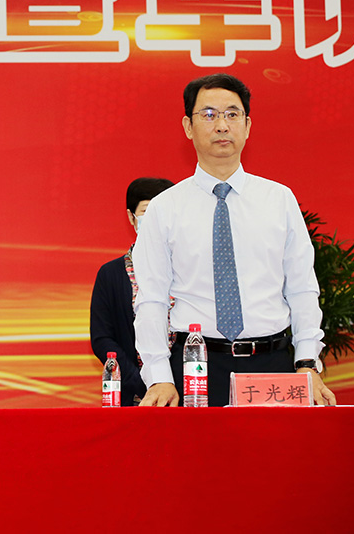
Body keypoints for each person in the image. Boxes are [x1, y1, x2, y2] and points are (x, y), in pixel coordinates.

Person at [133, 73, 335, 407]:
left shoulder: (279, 199)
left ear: (247, 125)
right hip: (195, 367)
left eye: (232, 114)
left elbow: (302, 289)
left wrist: (307, 363)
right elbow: (151, 300)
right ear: (188, 126)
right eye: (208, 115)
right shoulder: (164, 208)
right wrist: (159, 378)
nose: (222, 125)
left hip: (273, 363)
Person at [89, 178, 173, 406]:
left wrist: (172, 380)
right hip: (134, 393)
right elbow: (102, 339)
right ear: (131, 217)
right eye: (147, 211)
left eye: (161, 212)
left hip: (186, 390)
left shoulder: (191, 271)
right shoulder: (110, 274)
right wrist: (146, 382)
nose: (154, 220)